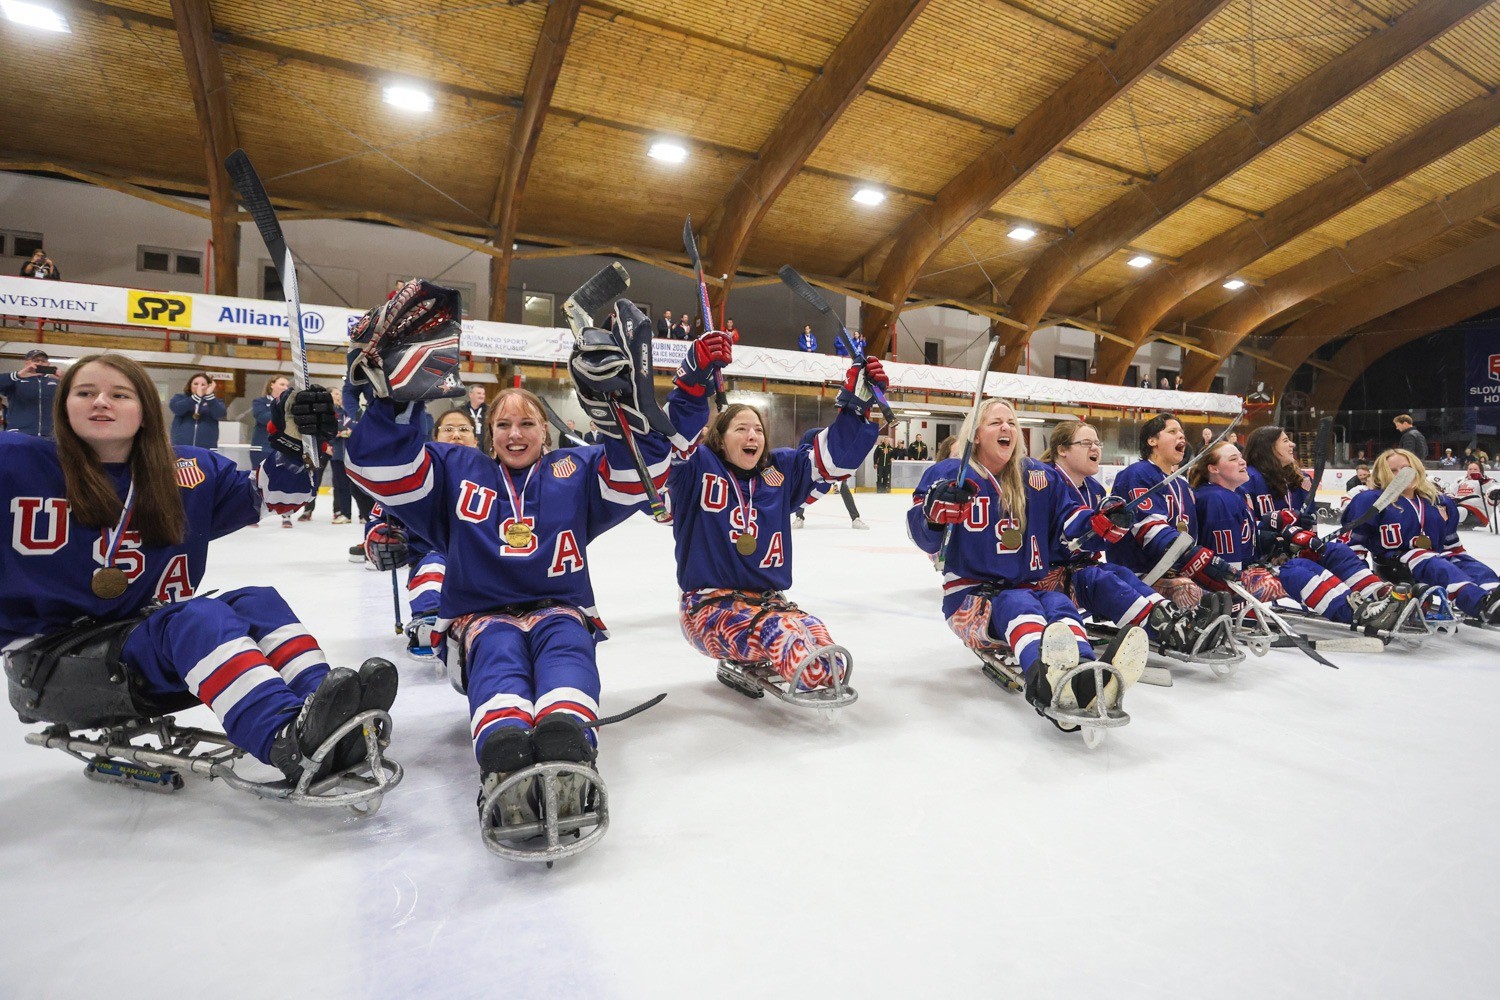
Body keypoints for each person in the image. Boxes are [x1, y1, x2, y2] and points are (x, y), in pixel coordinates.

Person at [344, 279, 674, 812]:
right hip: (481, 618)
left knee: (566, 647)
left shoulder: (578, 467)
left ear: (546, 430)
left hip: (559, 608)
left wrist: (624, 418)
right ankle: (504, 754)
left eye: (527, 423)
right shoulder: (455, 468)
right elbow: (381, 471)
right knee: (498, 653)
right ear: (487, 431)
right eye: (503, 424)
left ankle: (568, 742)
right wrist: (393, 401)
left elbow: (643, 478)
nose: (515, 433)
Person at [0, 352, 393, 783]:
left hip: (136, 643)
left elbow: (275, 499)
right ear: (64, 405)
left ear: (147, 411)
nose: (101, 403)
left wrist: (290, 445)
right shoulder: (16, 461)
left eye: (119, 394)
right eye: (85, 393)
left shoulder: (187, 470)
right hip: (47, 662)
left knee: (256, 602)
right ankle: (286, 739)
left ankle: (329, 714)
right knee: (196, 617)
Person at [909, 398, 1148, 734]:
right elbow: (923, 537)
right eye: (995, 422)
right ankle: (1045, 680)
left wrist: (1099, 522)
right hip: (970, 600)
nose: (1006, 427)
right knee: (1017, 602)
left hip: (1032, 588)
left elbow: (1071, 521)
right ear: (975, 434)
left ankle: (1084, 675)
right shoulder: (950, 474)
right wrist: (933, 513)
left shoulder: (1038, 476)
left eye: (1011, 422)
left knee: (1059, 603)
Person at [667, 334, 881, 695]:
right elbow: (672, 441)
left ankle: (802, 653)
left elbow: (833, 460)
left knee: (823, 646)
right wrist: (693, 381)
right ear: (719, 439)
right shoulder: (696, 468)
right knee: (791, 646)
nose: (753, 435)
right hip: (708, 607)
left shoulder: (778, 471)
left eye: (758, 429)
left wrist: (856, 405)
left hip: (771, 603)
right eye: (741, 428)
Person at [1040, 420, 1224, 655]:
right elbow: (1068, 524)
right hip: (1049, 576)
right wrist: (1095, 523)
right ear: (1062, 450)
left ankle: (1175, 619)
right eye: (1086, 443)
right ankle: (1163, 629)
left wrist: (1113, 526)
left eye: (1097, 443)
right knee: (1101, 579)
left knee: (1117, 573)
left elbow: (1100, 541)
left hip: (1081, 569)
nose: (1095, 448)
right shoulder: (1046, 479)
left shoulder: (1095, 489)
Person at [1193, 440, 1403, 632]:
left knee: (1332, 551)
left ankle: (1377, 594)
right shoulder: (1217, 499)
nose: (1242, 461)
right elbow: (1227, 562)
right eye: (1233, 459)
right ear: (1214, 468)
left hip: (1247, 568)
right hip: (1227, 583)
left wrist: (1284, 531)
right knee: (1296, 570)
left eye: (1240, 457)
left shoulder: (1234, 493)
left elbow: (1247, 533)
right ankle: (1358, 613)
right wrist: (1237, 593)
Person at [363, 409, 482, 657]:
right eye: (448, 429)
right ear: (435, 437)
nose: (456, 435)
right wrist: (381, 535)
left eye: (463, 429)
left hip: (481, 558)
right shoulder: (415, 477)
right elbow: (382, 513)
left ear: (476, 439)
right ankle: (429, 620)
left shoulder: (493, 473)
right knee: (433, 567)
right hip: (432, 554)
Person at [1344, 449, 1500, 623]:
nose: (1402, 474)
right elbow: (1353, 548)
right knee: (1433, 562)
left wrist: (1463, 561)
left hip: (1435, 559)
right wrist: (1365, 585)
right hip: (1394, 565)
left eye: (1406, 468)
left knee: (1470, 565)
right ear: (1382, 475)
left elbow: (1452, 546)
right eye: (1393, 470)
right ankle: (1479, 603)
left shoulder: (1438, 501)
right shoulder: (1371, 500)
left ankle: (1494, 596)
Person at [1107, 413, 1238, 609]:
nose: (1182, 436)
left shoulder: (1182, 485)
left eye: (1182, 433)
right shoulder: (1137, 474)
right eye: (1172, 431)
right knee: (1190, 593)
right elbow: (1149, 530)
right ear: (1152, 441)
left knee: (1233, 591)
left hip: (1175, 570)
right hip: (1137, 574)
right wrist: (1194, 555)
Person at [251, 375, 293, 528]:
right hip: (261, 447)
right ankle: (252, 514)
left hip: (282, 447)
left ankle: (286, 514)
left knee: (285, 480)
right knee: (257, 481)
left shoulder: (289, 405)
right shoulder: (259, 402)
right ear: (271, 385)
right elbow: (264, 418)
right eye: (282, 384)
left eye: (287, 385)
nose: (285, 387)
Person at [1, 349, 61, 438]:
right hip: (19, 433)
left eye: (43, 361)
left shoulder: (56, 382)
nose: (40, 363)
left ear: (48, 364)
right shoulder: (15, 380)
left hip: (49, 435)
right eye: (36, 360)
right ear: (26, 363)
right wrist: (17, 375)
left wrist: (65, 377)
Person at [168, 372, 227, 451]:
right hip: (181, 447)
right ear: (190, 385)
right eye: (196, 384)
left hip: (207, 448)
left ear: (208, 387)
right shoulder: (179, 398)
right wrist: (195, 398)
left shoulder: (216, 401)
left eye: (203, 385)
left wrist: (210, 397)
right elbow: (177, 409)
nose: (199, 387)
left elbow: (220, 414)